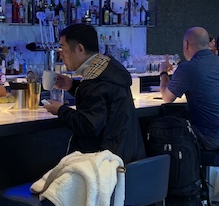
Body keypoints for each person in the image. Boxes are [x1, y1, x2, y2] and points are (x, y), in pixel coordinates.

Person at [42, 23, 145, 163]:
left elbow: (89, 126)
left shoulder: (95, 81)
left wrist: (60, 110)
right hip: (126, 153)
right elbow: (101, 100)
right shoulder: (109, 69)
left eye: (63, 48)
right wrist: (72, 86)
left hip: (105, 164)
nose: (61, 54)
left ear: (79, 49)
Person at [159, 26, 219, 150]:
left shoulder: (187, 68)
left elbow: (167, 98)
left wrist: (163, 73)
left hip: (217, 138)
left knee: (166, 133)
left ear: (186, 44)